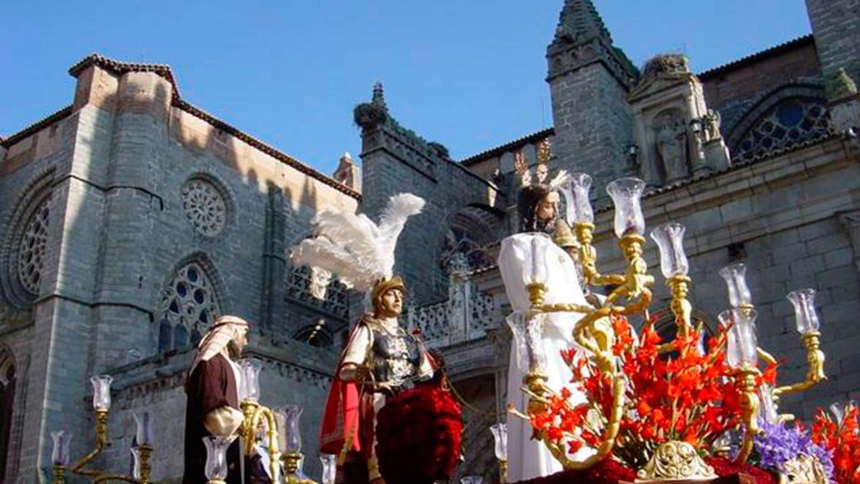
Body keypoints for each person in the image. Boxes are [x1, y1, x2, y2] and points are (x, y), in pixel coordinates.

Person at [323, 276, 435, 483]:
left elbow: (427, 373)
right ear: (379, 299)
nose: (398, 299)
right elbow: (346, 370)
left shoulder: (411, 339)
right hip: (380, 401)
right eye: (392, 294)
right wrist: (365, 375)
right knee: (381, 459)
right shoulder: (368, 330)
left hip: (410, 406)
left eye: (400, 295)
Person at [183, 316, 249, 484]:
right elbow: (212, 408)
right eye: (244, 334)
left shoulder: (227, 364)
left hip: (231, 445)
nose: (246, 342)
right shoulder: (209, 363)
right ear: (232, 332)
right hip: (211, 451)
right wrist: (247, 423)